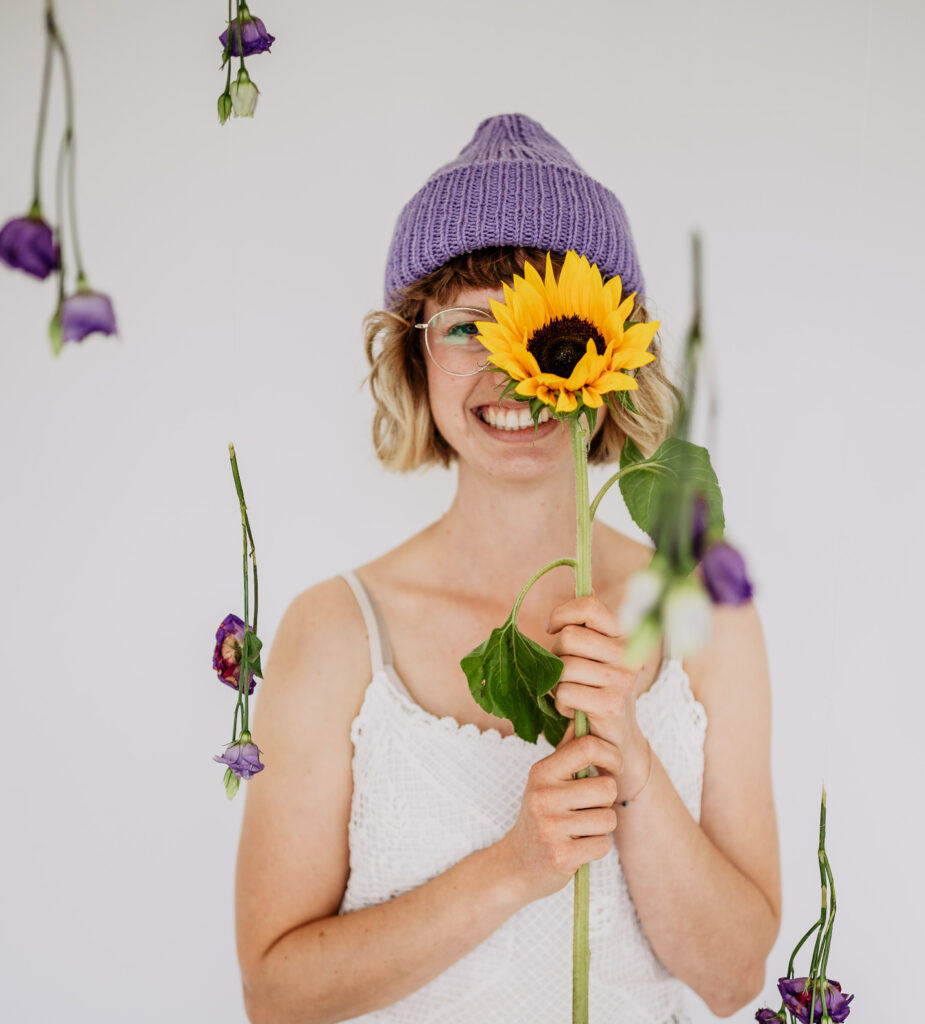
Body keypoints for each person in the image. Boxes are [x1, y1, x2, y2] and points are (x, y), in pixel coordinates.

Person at [234, 113, 781, 1024]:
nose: (512, 367)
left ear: (613, 352)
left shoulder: (701, 616)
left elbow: (733, 980)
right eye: (465, 327)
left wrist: (633, 766)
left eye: (549, 325)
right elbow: (275, 995)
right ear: (412, 352)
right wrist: (513, 867)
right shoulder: (332, 632)